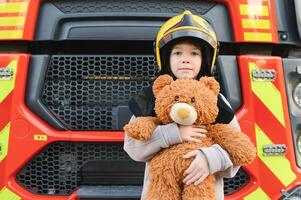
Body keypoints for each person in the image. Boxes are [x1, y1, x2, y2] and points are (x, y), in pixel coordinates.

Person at [124, 10, 240, 200]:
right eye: (178, 52)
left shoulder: (216, 100)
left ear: (205, 60)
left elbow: (237, 151)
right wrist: (174, 133)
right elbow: (132, 148)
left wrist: (209, 159)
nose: (186, 59)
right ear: (166, 58)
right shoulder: (152, 98)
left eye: (194, 53)